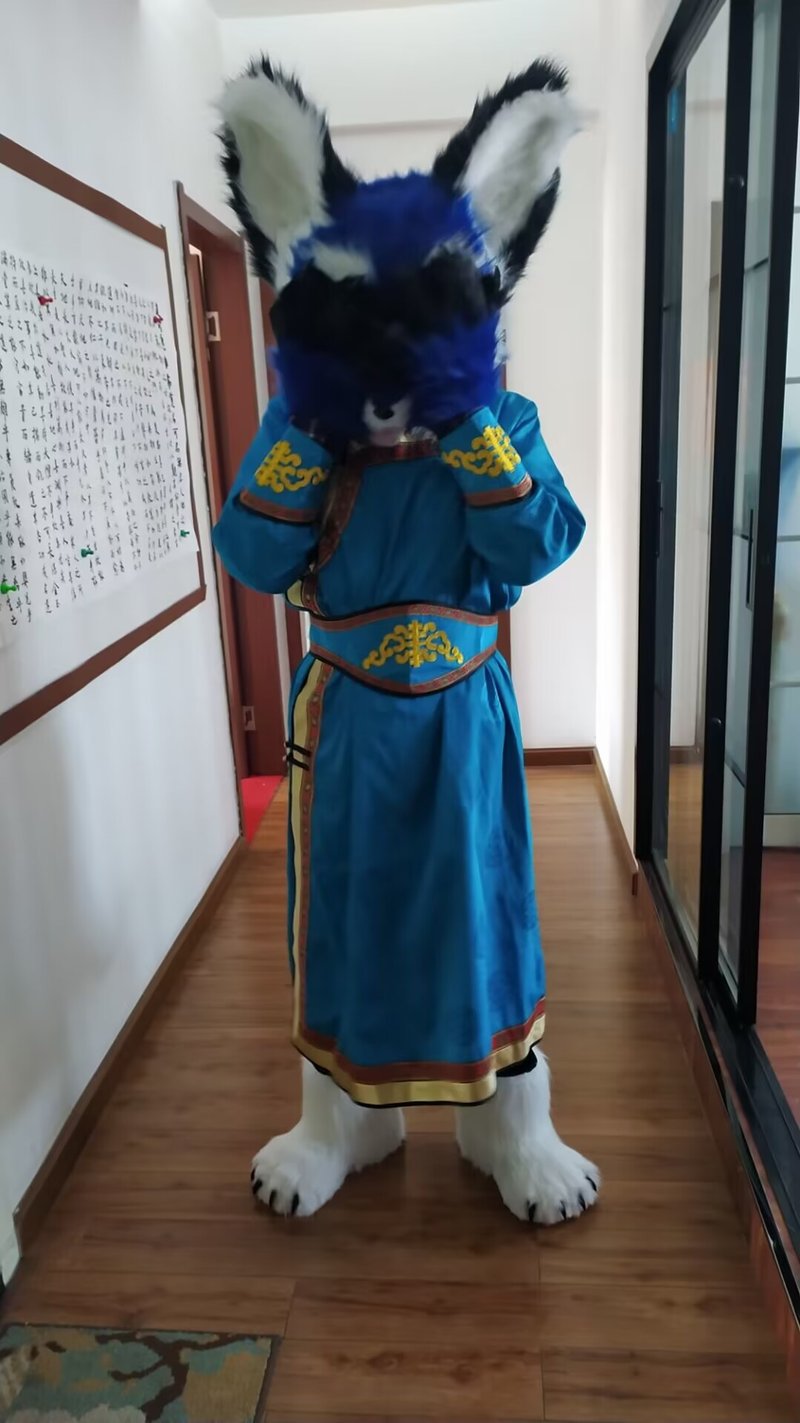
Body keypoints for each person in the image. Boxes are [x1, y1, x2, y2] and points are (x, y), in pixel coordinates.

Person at [212, 56, 600, 1224]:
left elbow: (536, 542)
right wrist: (313, 426)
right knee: (345, 921)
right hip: (344, 721)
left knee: (483, 914)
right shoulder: (304, 433)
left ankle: (509, 1128)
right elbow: (251, 556)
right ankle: (341, 1125)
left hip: (463, 717)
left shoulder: (500, 420)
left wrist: (464, 414)